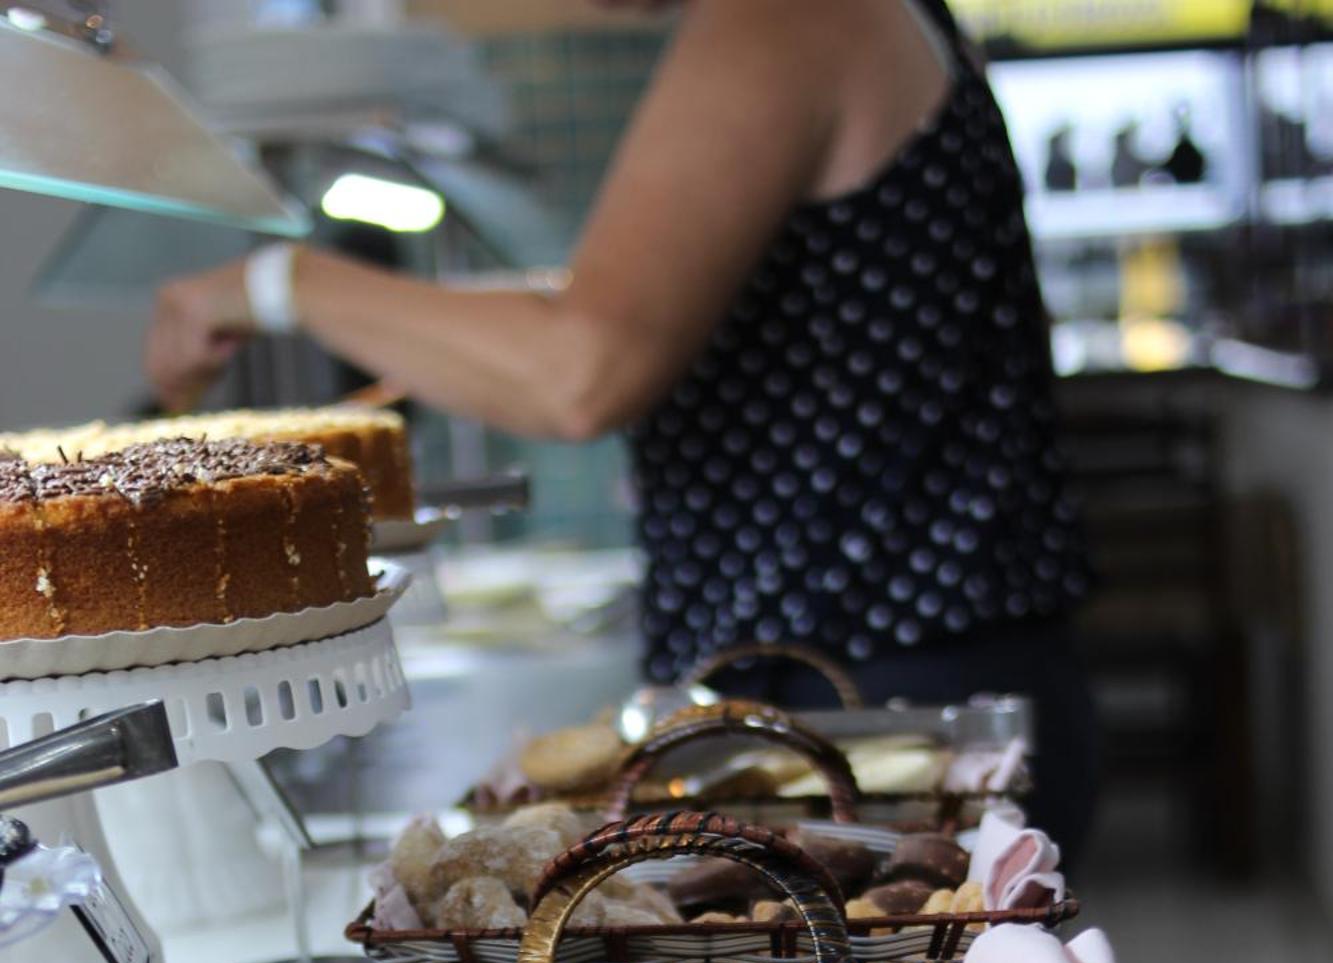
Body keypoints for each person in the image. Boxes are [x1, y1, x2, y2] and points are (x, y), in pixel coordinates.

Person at [145, 0, 1097, 860]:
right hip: (895, 686)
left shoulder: (782, 19)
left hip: (875, 717)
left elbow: (583, 372)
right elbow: (654, 308)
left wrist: (284, 282)